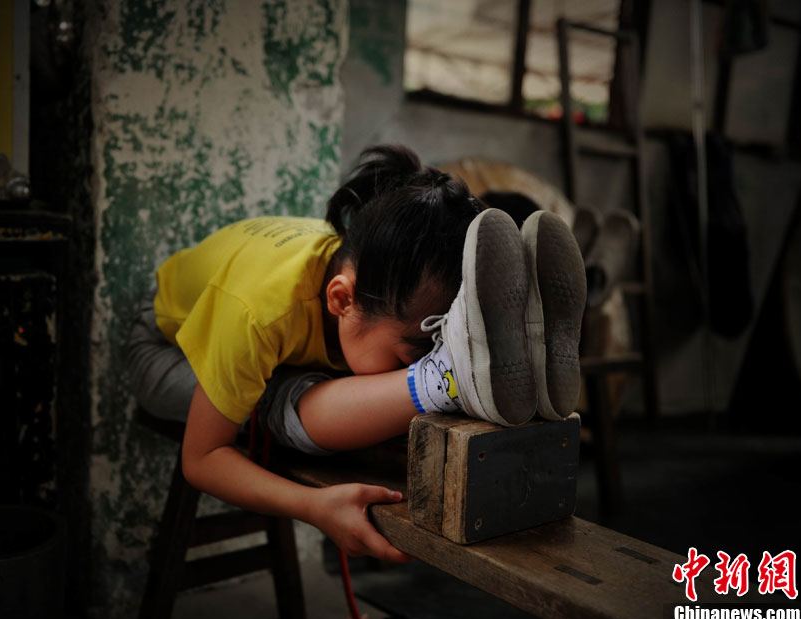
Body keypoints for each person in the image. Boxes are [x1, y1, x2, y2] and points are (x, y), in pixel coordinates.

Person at [126, 144, 586, 563]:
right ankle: (447, 375)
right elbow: (203, 458)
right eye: (416, 347)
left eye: (435, 339)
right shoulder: (257, 313)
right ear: (341, 300)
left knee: (333, 385)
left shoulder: (363, 278)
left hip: (261, 337)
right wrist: (313, 507)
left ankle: (458, 369)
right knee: (280, 398)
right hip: (163, 351)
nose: (412, 355)